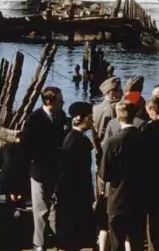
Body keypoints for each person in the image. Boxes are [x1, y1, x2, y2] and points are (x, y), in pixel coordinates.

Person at [21, 87, 67, 251]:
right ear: (49, 101)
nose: (63, 103)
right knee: (40, 210)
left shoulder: (61, 116)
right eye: (60, 101)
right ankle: (39, 243)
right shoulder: (34, 119)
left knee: (56, 207)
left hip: (56, 169)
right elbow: (26, 146)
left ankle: (56, 239)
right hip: (40, 170)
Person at [99, 100, 147, 251]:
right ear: (135, 116)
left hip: (117, 197)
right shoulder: (145, 138)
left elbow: (104, 174)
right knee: (136, 239)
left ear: (118, 118)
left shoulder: (113, 142)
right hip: (139, 196)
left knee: (116, 241)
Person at [56, 102, 96, 251]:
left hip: (71, 193)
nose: (92, 121)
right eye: (90, 118)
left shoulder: (71, 137)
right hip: (76, 194)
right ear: (80, 118)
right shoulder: (78, 141)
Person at [0, 133, 30, 205]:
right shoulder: (28, 149)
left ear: (16, 138)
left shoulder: (6, 146)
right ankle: (20, 205)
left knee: (9, 196)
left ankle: (10, 205)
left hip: (6, 179)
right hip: (22, 180)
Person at [93, 77, 123, 162]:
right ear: (112, 93)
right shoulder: (115, 107)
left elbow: (94, 134)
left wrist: (98, 149)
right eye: (120, 91)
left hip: (99, 149)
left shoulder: (95, 108)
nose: (122, 93)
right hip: (111, 151)